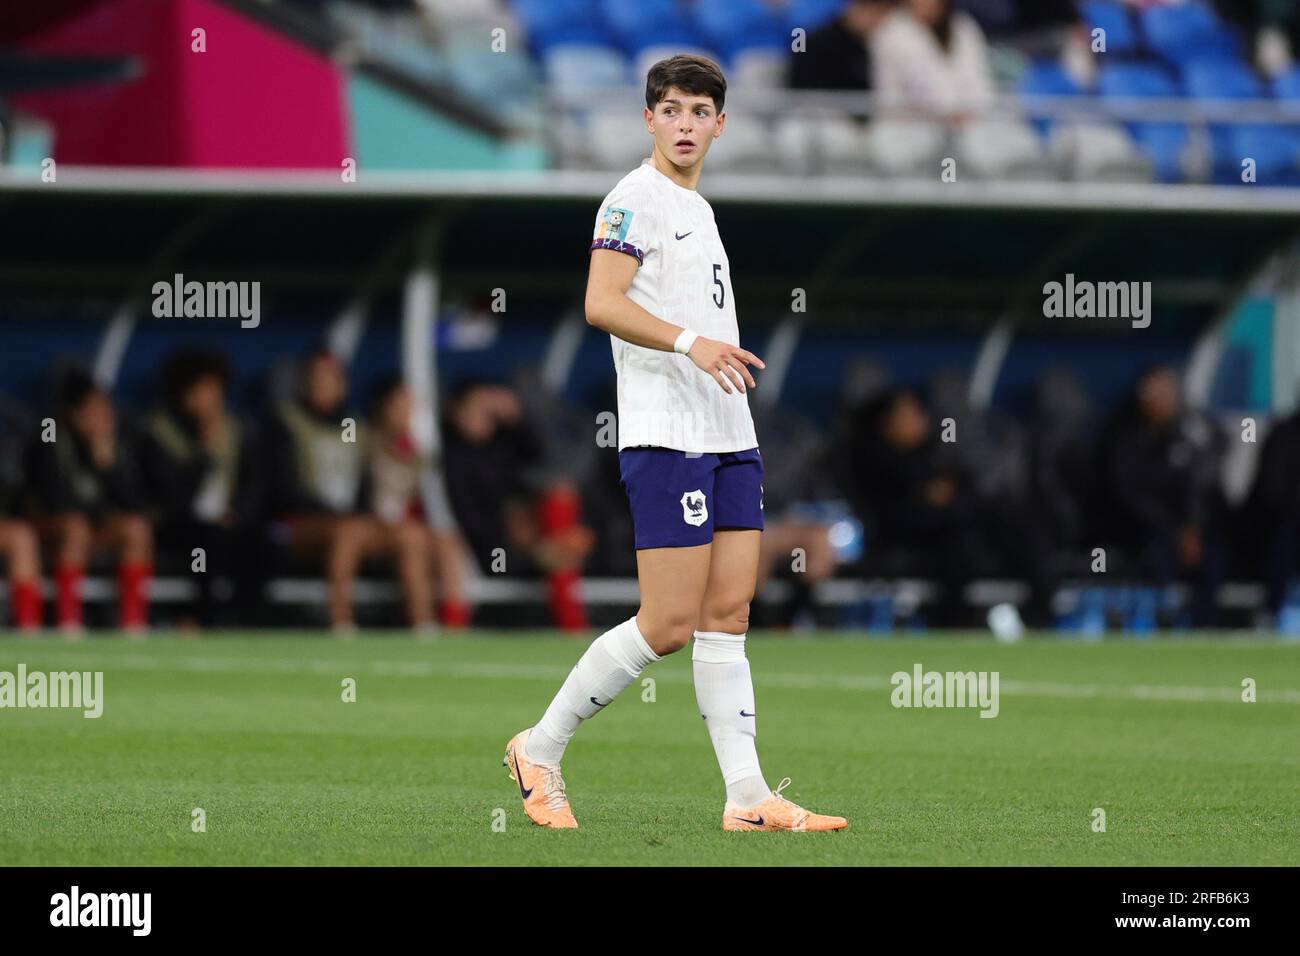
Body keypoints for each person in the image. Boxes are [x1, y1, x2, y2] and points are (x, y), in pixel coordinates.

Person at [502, 55, 847, 833]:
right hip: (667, 437)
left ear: (721, 124)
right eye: (671, 110)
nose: (685, 124)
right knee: (666, 624)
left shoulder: (700, 207)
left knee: (729, 613)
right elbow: (600, 301)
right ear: (649, 118)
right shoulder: (633, 199)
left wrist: (707, 354)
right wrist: (692, 343)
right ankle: (540, 748)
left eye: (700, 112)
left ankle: (748, 798)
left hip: (729, 433)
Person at [25, 371, 153, 634]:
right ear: (73, 413)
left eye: (105, 407)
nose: (103, 416)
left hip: (95, 529)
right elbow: (55, 501)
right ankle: (68, 622)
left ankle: (133, 623)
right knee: (75, 527)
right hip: (54, 532)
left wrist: (107, 466)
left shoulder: (116, 444)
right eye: (93, 409)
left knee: (136, 529)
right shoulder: (49, 439)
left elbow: (134, 502)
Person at [141, 349, 260, 630]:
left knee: (268, 542)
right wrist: (204, 454)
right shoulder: (159, 432)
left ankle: (243, 617)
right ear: (184, 394)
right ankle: (200, 618)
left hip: (228, 523)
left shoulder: (237, 430)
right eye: (203, 391)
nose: (212, 399)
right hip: (178, 525)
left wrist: (238, 513)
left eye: (216, 390)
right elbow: (172, 497)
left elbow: (253, 483)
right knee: (207, 540)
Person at [871, 0, 997, 118]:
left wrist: (970, 112)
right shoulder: (891, 33)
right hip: (908, 124)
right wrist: (948, 113)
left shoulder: (963, 27)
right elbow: (916, 86)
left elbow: (980, 80)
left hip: (970, 121)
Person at [788, 0, 894, 93]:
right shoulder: (816, 44)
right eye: (879, 15)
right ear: (865, 9)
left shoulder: (870, 44)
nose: (879, 23)